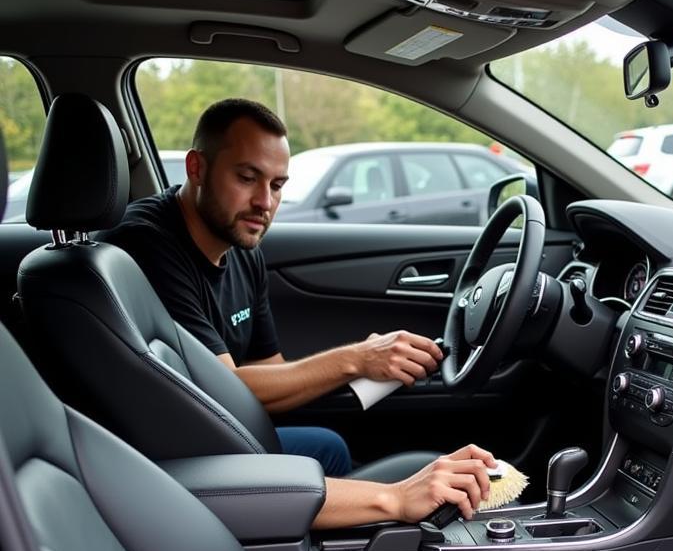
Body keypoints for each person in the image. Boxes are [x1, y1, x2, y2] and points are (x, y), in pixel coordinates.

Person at [106, 97, 494, 527]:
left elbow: (270, 372)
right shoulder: (149, 246)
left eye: (276, 185)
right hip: (175, 456)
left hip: (220, 432)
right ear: (196, 168)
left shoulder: (241, 244)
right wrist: (356, 359)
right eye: (247, 177)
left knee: (328, 446)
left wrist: (370, 369)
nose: (264, 202)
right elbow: (222, 389)